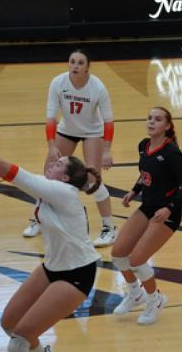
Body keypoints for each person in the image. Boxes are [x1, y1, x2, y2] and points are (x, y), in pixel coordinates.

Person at [0, 153, 101, 352]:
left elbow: (20, 176)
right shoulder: (50, 187)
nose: (53, 163)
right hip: (51, 267)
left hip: (77, 274)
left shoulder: (63, 191)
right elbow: (20, 178)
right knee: (10, 323)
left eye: (59, 164)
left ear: (65, 178)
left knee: (20, 340)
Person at [23, 49, 117, 247]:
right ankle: (39, 218)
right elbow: (50, 118)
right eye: (72, 61)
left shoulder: (97, 87)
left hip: (92, 132)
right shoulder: (58, 83)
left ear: (87, 67)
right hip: (66, 130)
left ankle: (109, 228)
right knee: (49, 172)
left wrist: (107, 149)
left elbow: (108, 121)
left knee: (92, 179)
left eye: (80, 63)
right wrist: (51, 147)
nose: (75, 66)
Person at [111, 106, 182, 325]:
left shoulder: (172, 153)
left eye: (157, 119)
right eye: (149, 118)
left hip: (167, 212)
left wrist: (169, 207)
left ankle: (155, 299)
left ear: (167, 126)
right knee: (118, 253)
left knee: (137, 260)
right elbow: (145, 175)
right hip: (147, 206)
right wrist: (134, 191)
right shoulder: (143, 145)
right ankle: (134, 293)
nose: (151, 122)